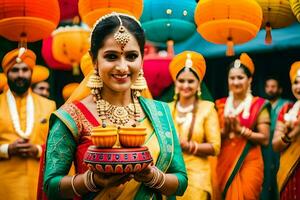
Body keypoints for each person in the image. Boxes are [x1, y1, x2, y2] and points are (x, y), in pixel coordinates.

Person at [41, 12, 188, 200]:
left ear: (142, 58)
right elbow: (51, 186)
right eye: (111, 56)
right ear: (94, 59)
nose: (122, 67)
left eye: (131, 56)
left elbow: (181, 182)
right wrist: (92, 181)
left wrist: (153, 177)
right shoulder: (71, 116)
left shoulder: (160, 113)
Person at [0, 48, 56, 200]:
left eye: (25, 70)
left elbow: (57, 147)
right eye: (15, 70)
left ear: (32, 73)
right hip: (4, 187)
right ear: (6, 74)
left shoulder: (49, 105)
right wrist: (7, 149)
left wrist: (38, 150)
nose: (20, 75)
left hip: (38, 183)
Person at [215, 53, 271, 199]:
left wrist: (242, 131)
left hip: (249, 161)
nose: (236, 82)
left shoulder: (258, 105)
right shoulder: (220, 105)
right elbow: (213, 138)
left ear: (250, 79)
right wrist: (225, 131)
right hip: (223, 162)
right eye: (232, 78)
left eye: (240, 77)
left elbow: (265, 139)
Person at [168, 51, 220, 199]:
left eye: (191, 81)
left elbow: (215, 147)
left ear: (198, 84)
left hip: (197, 177)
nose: (185, 85)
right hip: (169, 176)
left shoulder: (207, 108)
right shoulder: (166, 109)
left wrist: (187, 146)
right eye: (181, 81)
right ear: (175, 82)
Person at [272, 61, 300, 200]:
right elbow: (275, 145)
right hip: (289, 174)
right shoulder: (287, 109)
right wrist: (288, 136)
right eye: (296, 82)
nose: (299, 87)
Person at [261, 77, 290, 199]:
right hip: (264, 152)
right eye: (267, 86)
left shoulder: (287, 105)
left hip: (281, 150)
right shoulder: (261, 105)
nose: (270, 89)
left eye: (273, 86)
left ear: (280, 89)